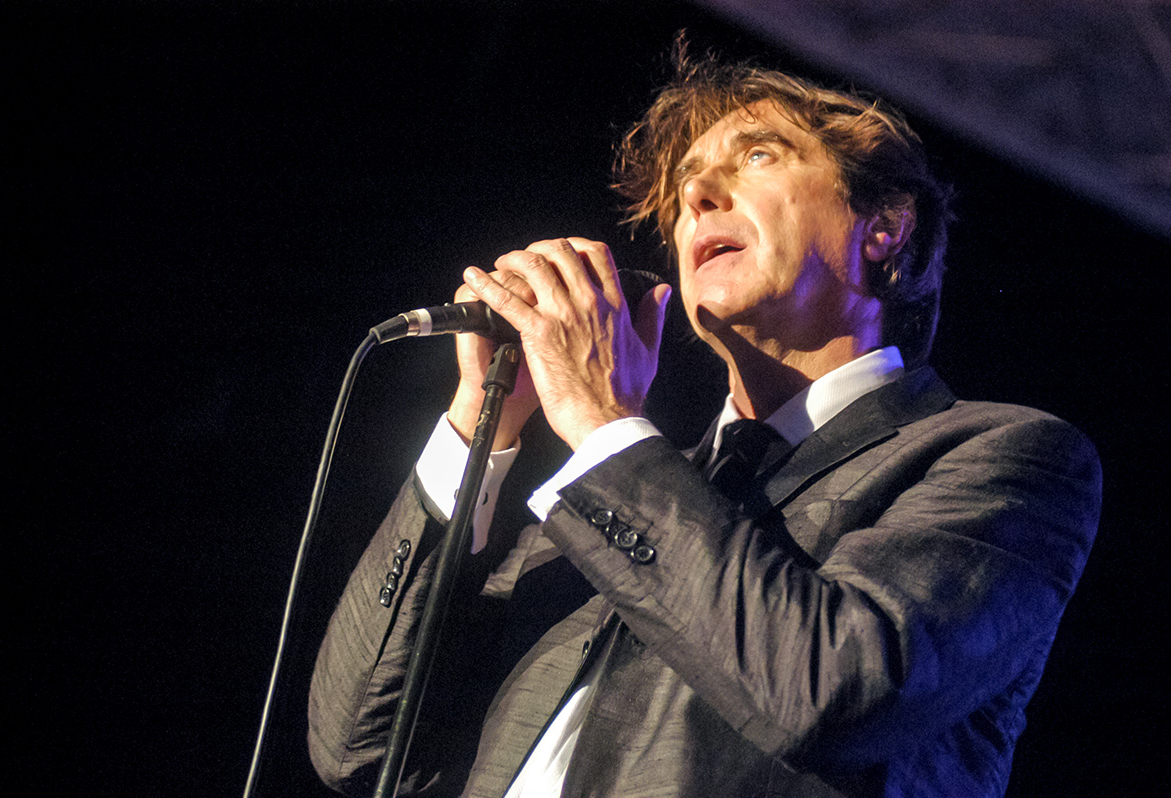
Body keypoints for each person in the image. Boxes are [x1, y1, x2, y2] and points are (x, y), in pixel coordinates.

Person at [307, 51, 1101, 798]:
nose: (697, 197)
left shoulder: (1004, 458)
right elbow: (358, 744)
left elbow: (835, 689)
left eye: (758, 156)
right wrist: (479, 426)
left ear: (885, 225)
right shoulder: (605, 500)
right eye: (686, 184)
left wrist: (599, 422)